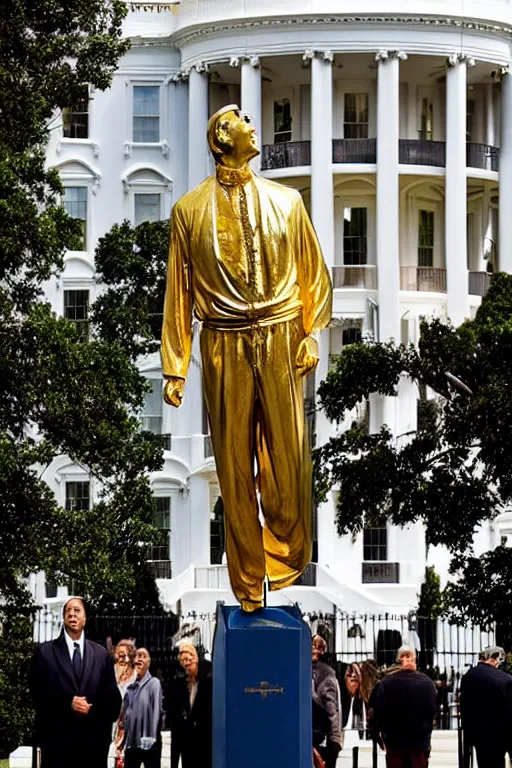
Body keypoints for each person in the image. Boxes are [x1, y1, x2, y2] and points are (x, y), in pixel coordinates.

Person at [161, 104, 332, 612]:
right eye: (244, 122)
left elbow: (314, 274)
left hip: (281, 337)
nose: (255, 129)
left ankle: (283, 556)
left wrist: (313, 332)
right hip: (223, 343)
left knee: (290, 464)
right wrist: (175, 363)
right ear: (222, 136)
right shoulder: (189, 211)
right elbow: (178, 293)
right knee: (233, 465)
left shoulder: (287, 201)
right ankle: (247, 579)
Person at [30, 597, 121, 768]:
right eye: (68, 611)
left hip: (92, 749)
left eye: (77, 610)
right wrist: (67, 703)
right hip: (57, 748)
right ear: (63, 617)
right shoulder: (45, 653)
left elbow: (112, 702)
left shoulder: (101, 655)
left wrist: (90, 709)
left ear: (85, 618)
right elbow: (38, 695)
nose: (72, 614)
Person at [373, 645, 437, 768]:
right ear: (414, 660)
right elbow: (431, 714)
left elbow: (379, 712)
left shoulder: (386, 683)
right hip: (419, 744)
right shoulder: (428, 684)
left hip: (394, 744)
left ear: (398, 660)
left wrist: (381, 737)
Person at [460, 645, 512, 768]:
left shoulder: (468, 676)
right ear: (496, 659)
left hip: (477, 733)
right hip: (500, 734)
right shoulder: (505, 679)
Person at [117, 648, 163, 768]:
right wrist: (121, 740)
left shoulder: (154, 683)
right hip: (132, 744)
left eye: (143, 656)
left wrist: (151, 737)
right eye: (137, 656)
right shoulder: (130, 689)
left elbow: (156, 713)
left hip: (149, 742)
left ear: (149, 661)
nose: (139, 659)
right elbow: (123, 717)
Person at [170, 643, 212, 768]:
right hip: (187, 749)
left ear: (196, 658)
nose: (186, 663)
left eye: (189, 659)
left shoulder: (207, 681)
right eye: (183, 661)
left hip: (205, 746)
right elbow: (177, 724)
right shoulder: (183, 685)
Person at [312, 635, 342, 768]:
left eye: (319, 647)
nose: (316, 650)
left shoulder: (325, 674)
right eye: (313, 646)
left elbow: (332, 710)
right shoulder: (324, 672)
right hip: (317, 734)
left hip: (320, 735)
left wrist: (335, 738)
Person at [113, 640, 137, 767]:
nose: (121, 659)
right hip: (111, 723)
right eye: (118, 655)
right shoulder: (110, 673)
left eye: (124, 655)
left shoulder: (136, 677)